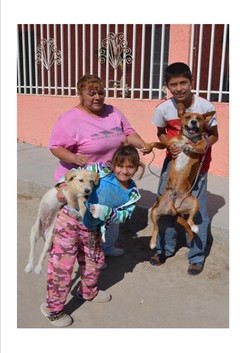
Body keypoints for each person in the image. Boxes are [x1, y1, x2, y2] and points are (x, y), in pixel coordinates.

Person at [40, 144, 145, 327]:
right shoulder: (99, 171)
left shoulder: (132, 193)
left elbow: (124, 215)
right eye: (120, 165)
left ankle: (88, 292)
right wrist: (64, 187)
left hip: (93, 229)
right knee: (62, 265)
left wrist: (106, 213)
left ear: (137, 168)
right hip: (69, 221)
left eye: (130, 167)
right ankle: (53, 309)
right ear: (113, 164)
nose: (124, 171)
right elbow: (76, 174)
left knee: (94, 261)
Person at [48, 74, 150, 258]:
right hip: (82, 181)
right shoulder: (70, 119)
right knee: (88, 221)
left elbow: (128, 133)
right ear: (80, 94)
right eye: (91, 93)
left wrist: (142, 144)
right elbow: (55, 147)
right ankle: (91, 257)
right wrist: (73, 156)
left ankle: (107, 249)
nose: (97, 97)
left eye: (101, 92)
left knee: (110, 211)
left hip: (108, 177)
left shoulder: (112, 112)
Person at [149, 62, 219, 275]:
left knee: (199, 213)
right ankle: (164, 249)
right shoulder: (163, 108)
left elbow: (214, 135)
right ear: (167, 86)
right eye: (173, 84)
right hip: (173, 164)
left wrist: (201, 146)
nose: (179, 88)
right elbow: (161, 133)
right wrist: (170, 144)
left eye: (183, 83)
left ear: (191, 82)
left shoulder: (205, 107)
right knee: (166, 208)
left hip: (198, 166)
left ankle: (196, 256)